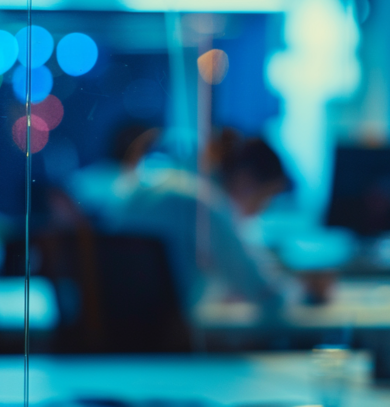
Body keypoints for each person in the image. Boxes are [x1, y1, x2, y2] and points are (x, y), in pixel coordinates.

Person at [108, 129, 292, 321]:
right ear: (245, 178)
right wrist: (302, 290)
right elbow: (267, 296)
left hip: (115, 333)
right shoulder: (207, 206)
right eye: (265, 198)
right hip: (170, 338)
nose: (259, 211)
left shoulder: (152, 187)